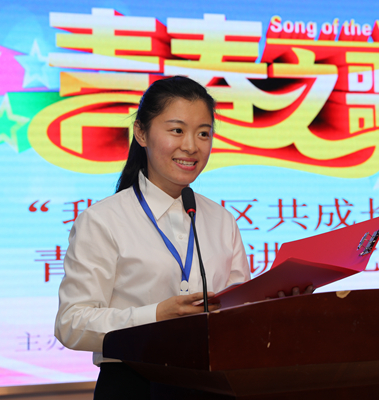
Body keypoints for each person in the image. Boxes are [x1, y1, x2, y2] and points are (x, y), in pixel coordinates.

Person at [55, 76, 250, 399]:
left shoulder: (222, 221)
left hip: (212, 384)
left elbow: (237, 310)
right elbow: (71, 323)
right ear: (141, 133)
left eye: (203, 133)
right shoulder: (103, 220)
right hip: (133, 385)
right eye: (177, 130)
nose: (191, 146)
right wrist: (156, 316)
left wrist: (280, 301)